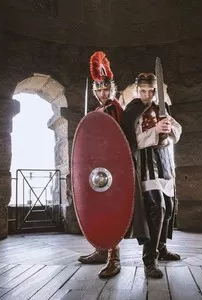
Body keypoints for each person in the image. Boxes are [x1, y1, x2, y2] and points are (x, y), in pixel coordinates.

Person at [121, 72, 182, 279]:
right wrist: (155, 129)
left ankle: (162, 248)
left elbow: (178, 131)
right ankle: (150, 259)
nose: (147, 94)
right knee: (157, 207)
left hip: (165, 163)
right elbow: (134, 140)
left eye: (151, 90)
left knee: (169, 207)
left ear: (156, 91)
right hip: (146, 166)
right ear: (138, 90)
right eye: (143, 90)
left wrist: (169, 127)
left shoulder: (161, 108)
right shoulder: (132, 111)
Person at [77, 51, 123, 279]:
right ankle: (101, 249)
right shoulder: (96, 111)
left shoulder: (116, 109)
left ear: (113, 90)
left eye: (106, 89)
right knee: (98, 208)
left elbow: (122, 142)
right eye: (99, 90)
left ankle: (114, 258)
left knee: (113, 210)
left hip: (115, 170)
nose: (103, 93)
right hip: (98, 171)